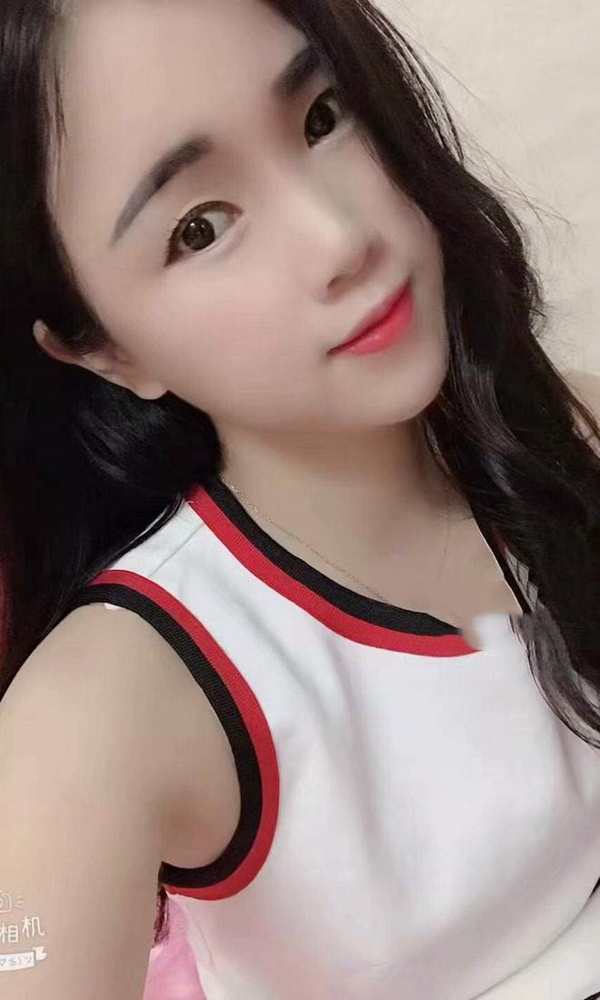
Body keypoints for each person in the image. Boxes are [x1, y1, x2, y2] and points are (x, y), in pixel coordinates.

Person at [0, 0, 599, 997]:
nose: (339, 238)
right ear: (102, 348)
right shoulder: (100, 714)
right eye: (200, 228)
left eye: (323, 116)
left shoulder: (568, 437)